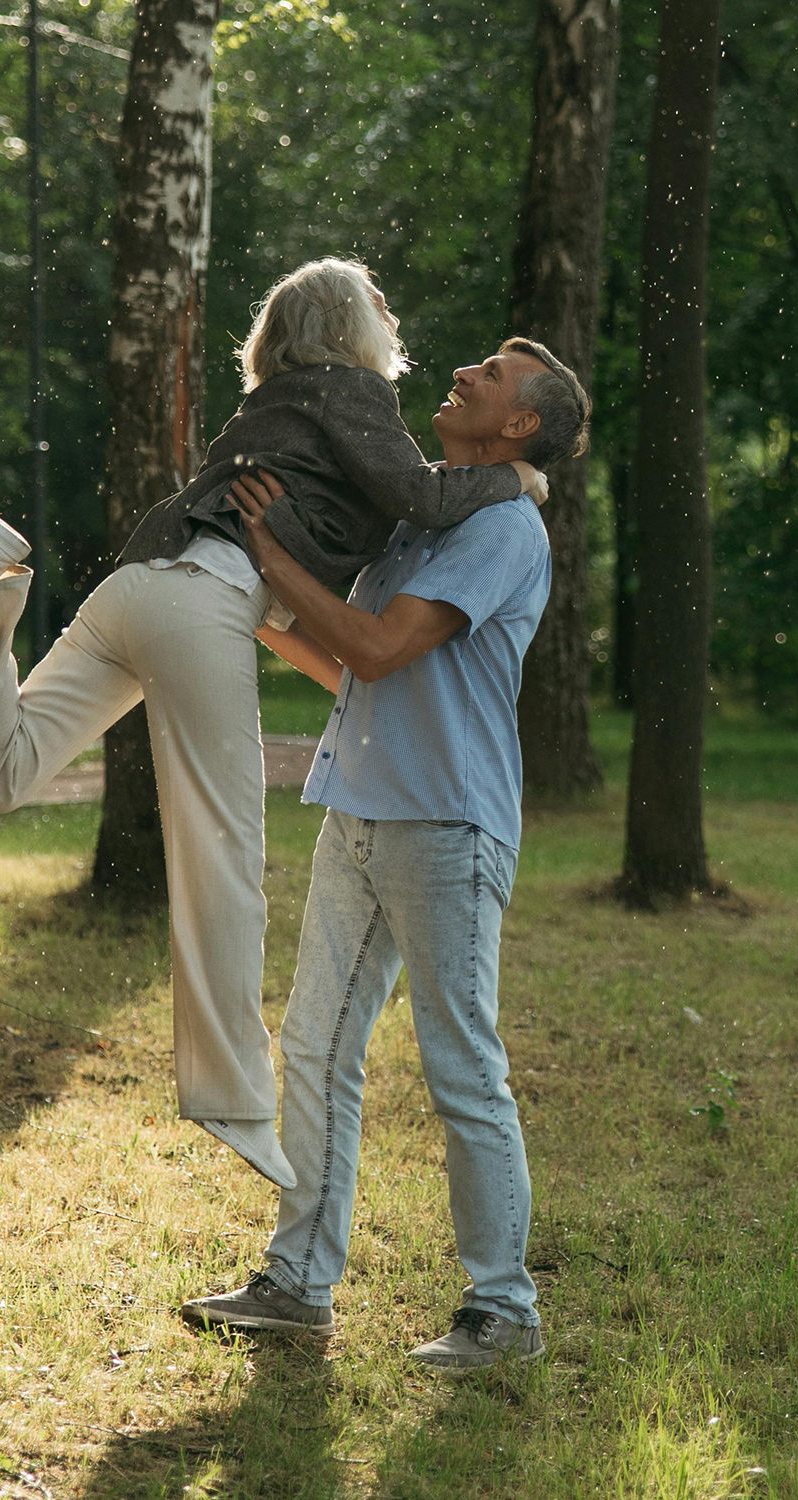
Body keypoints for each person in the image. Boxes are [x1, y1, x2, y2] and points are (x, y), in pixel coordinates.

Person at [0, 259, 547, 1191]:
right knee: (221, 851)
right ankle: (234, 1100)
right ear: (345, 327)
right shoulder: (354, 390)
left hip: (137, 586)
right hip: (206, 600)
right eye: (377, 303)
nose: (394, 317)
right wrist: (525, 480)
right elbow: (424, 497)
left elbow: (347, 611)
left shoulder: (280, 401)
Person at [179, 336, 589, 1374]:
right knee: (315, 1049)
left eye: (491, 375)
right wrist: (248, 588)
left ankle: (504, 1311)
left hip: (448, 829)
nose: (465, 373)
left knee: (464, 1074)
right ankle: (298, 1286)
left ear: (522, 424)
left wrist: (272, 552)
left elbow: (378, 646)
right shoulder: (427, 512)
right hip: (360, 812)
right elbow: (344, 663)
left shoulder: (501, 528)